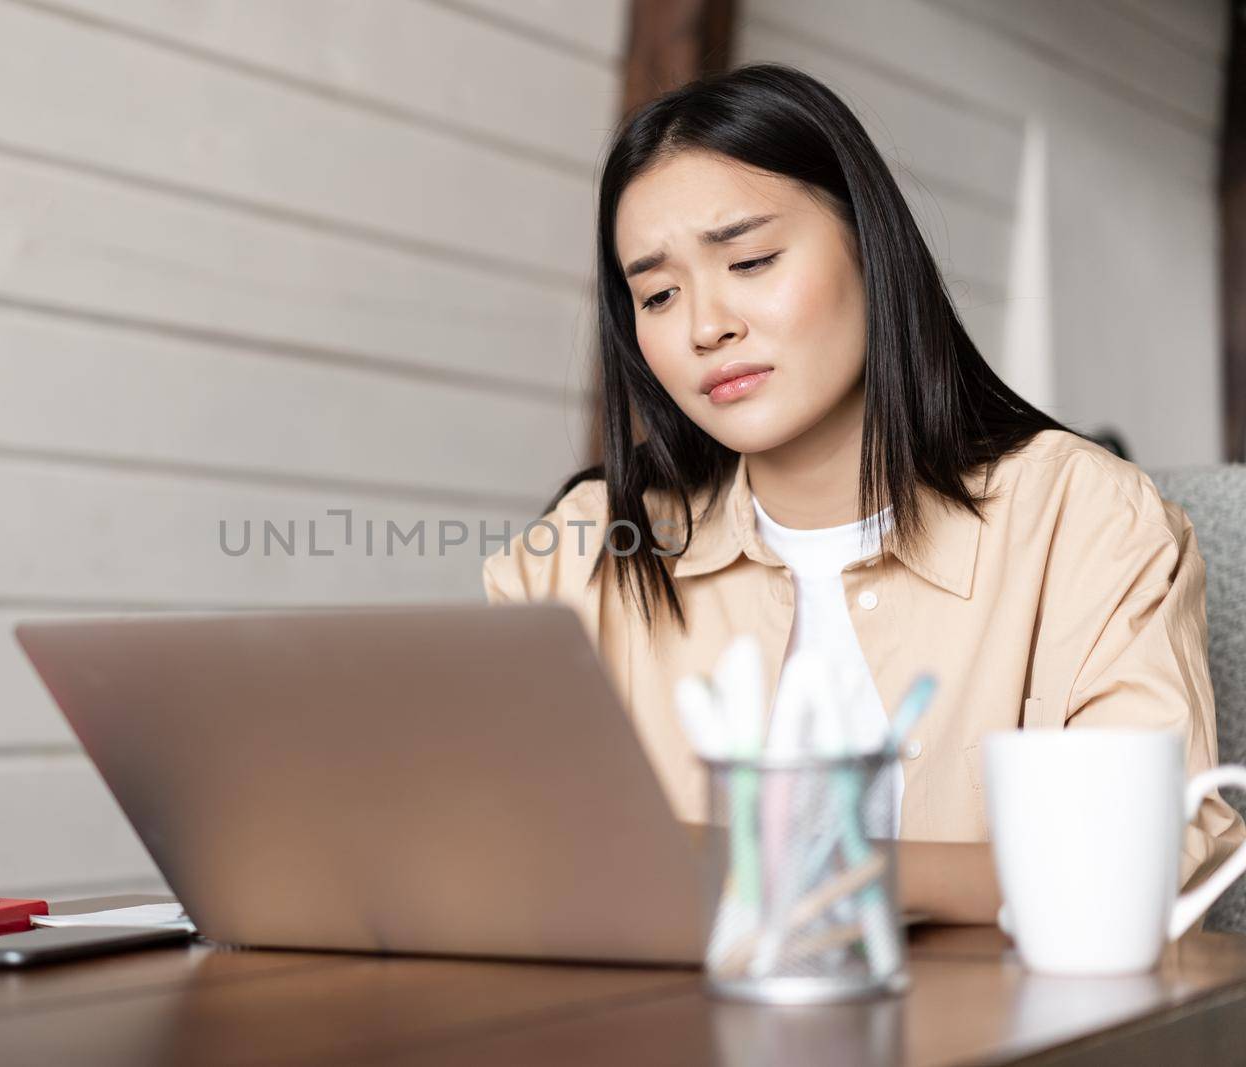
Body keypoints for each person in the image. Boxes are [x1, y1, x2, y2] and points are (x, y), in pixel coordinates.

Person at [480, 63, 1246, 924]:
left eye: (752, 259)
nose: (705, 326)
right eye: (658, 293)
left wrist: (778, 866)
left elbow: (1141, 853)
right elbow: (479, 843)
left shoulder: (1082, 518)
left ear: (869, 244)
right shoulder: (589, 548)